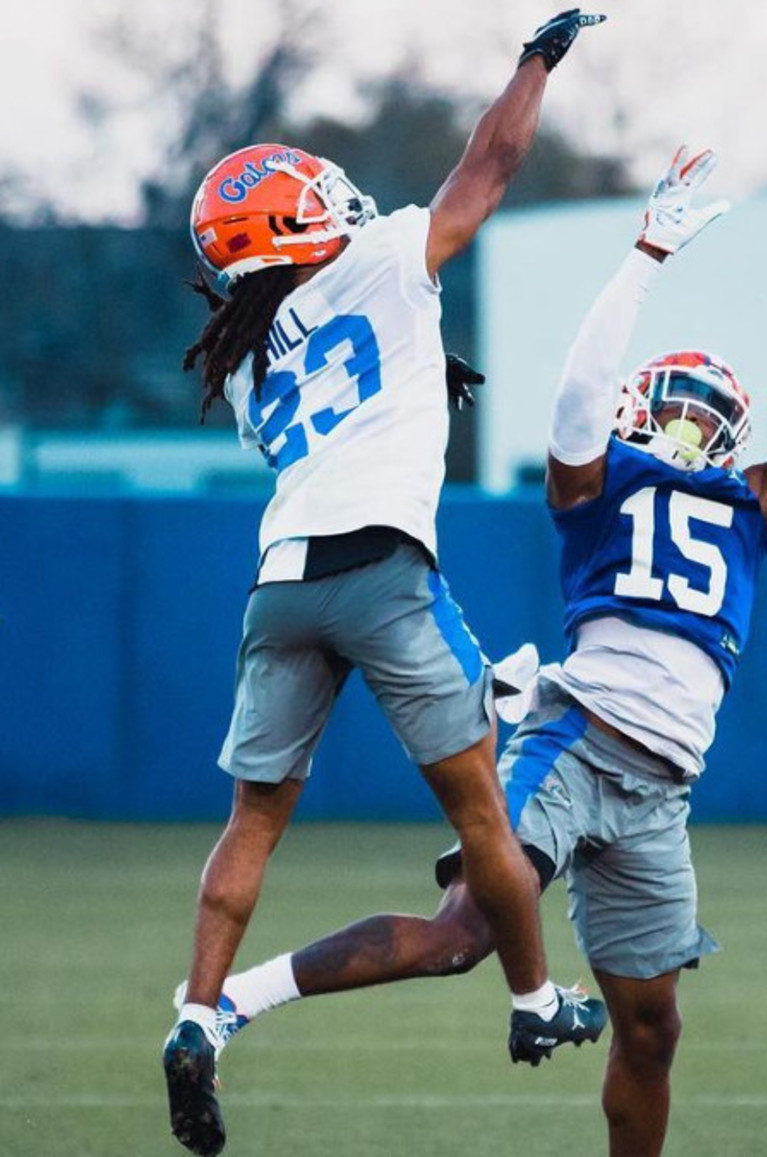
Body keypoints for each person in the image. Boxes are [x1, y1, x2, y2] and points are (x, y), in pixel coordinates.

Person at [191, 146, 767, 1156]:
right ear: (639, 411)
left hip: (663, 785)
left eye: (704, 413)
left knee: (652, 1026)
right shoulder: (602, 489)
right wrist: (645, 254)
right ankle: (234, 1000)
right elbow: (578, 403)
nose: (683, 425)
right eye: (669, 404)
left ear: (734, 438)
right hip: (575, 740)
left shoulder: (757, 505)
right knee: (463, 933)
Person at [162, 11, 609, 1157]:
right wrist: (538, 60)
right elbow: (493, 163)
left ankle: (198, 1015)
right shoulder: (379, 257)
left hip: (280, 582)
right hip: (380, 567)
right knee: (481, 812)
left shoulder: (253, 365)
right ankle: (535, 998)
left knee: (251, 823)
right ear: (293, 220)